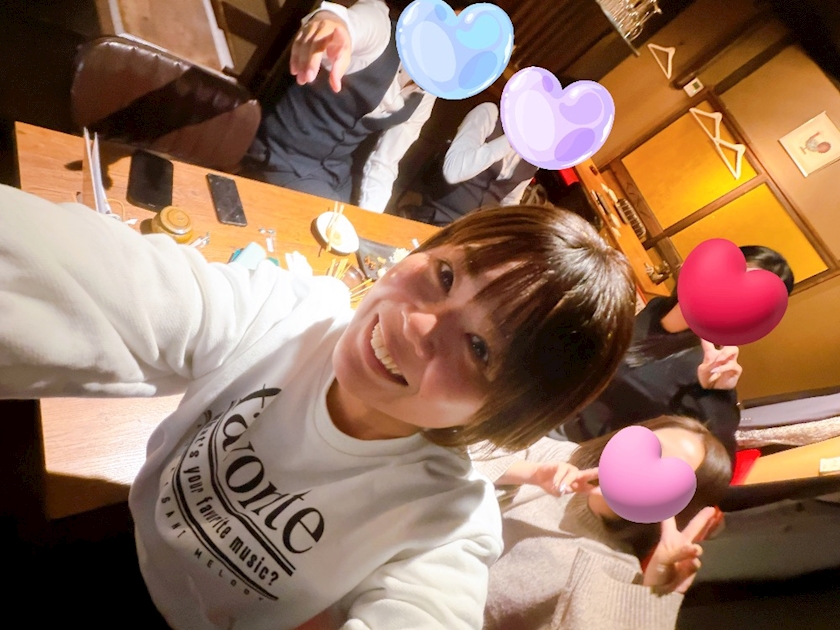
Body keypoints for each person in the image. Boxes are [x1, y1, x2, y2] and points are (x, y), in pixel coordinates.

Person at [0, 184, 636, 629]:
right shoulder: (283, 315)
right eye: (444, 275)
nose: (416, 324)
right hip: (114, 536)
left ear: (503, 413)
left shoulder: (445, 526)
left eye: (478, 348)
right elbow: (78, 277)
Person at [473, 416, 733, 630]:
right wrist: (528, 474)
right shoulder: (561, 457)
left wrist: (651, 594)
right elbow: (460, 454)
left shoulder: (612, 571)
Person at [555, 245, 795, 458]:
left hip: (577, 450)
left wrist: (717, 395)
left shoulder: (709, 368)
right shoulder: (656, 308)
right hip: (553, 406)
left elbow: (717, 463)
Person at [241, 0, 468, 213]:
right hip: (280, 155)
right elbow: (346, 23)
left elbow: (385, 163)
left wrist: (369, 218)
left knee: (354, 234)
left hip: (336, 175)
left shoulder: (427, 94)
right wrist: (329, 22)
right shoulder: (381, 29)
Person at [400, 102, 538, 226]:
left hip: (477, 232)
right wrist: (510, 141)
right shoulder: (490, 114)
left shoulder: (535, 156)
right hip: (438, 217)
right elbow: (453, 172)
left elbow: (509, 200)